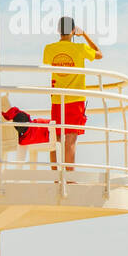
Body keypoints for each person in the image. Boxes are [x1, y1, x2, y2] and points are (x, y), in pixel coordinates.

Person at [42, 16, 103, 172]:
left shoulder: (49, 49)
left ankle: (55, 177)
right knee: (70, 139)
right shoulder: (80, 48)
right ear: (73, 30)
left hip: (57, 99)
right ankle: (69, 178)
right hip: (75, 99)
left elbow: (49, 62)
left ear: (58, 30)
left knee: (56, 139)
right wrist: (84, 35)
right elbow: (99, 54)